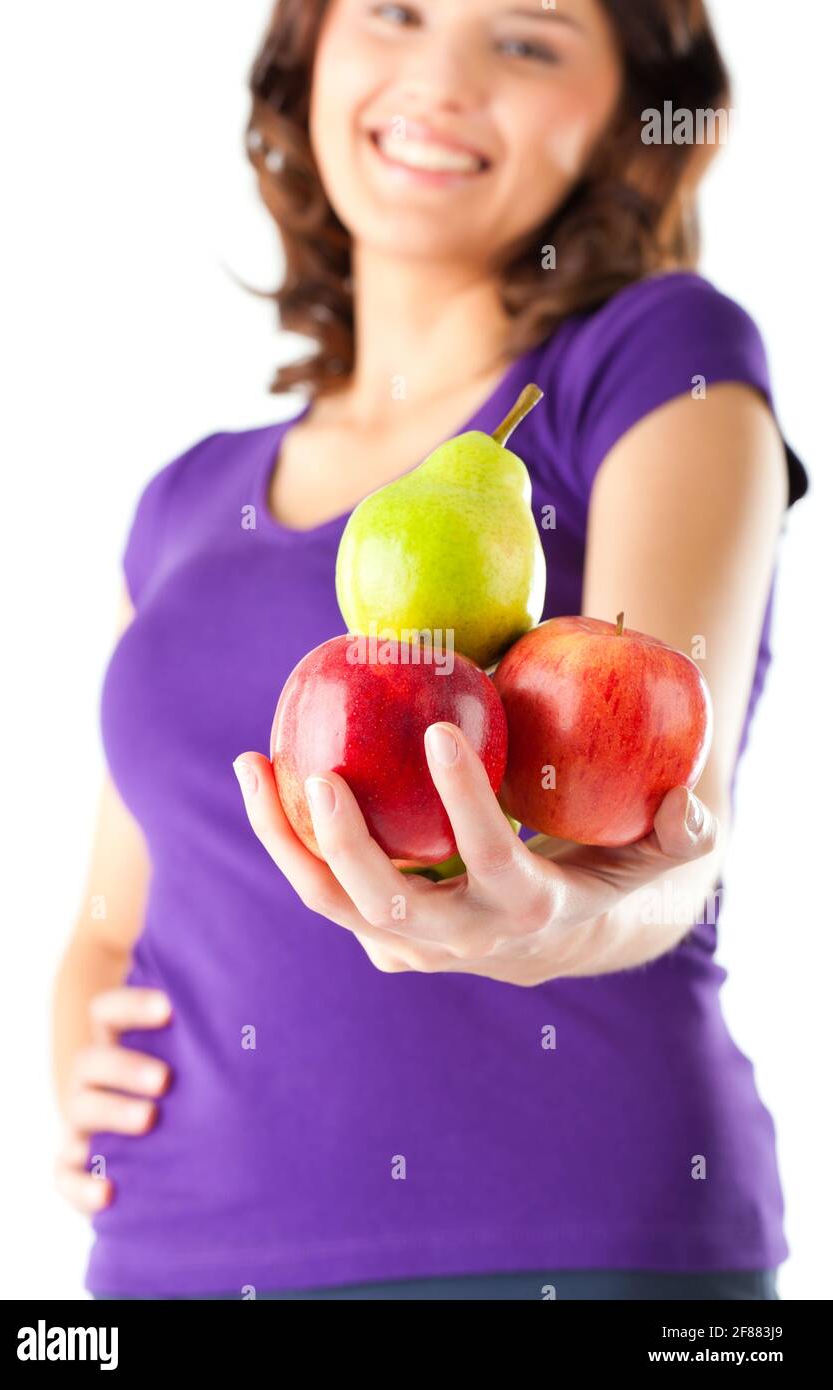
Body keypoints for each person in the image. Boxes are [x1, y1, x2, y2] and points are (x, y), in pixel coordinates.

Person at [53, 0, 809, 1301]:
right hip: (166, 1255)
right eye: (394, 12)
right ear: (308, 57)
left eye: (527, 39)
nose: (441, 77)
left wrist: (554, 923)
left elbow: (672, 848)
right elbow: (111, 909)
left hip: (559, 1245)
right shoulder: (182, 501)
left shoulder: (654, 360)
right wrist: (69, 1029)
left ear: (628, 114)